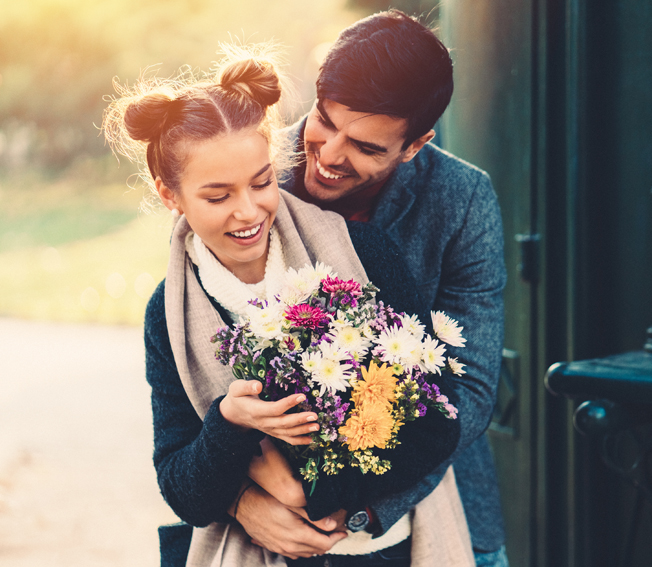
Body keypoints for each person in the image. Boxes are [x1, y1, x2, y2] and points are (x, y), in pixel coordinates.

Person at [103, 45, 476, 566]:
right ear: (171, 195)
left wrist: (310, 496)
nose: (248, 210)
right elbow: (180, 487)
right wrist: (229, 424)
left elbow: (438, 424)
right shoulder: (169, 313)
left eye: (261, 182)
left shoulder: (361, 254)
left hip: (382, 553)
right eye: (217, 196)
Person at [238, 10, 510, 567]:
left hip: (432, 503)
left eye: (366, 146)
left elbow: (472, 395)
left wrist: (357, 510)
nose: (331, 154)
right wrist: (238, 499)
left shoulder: (462, 202)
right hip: (262, 518)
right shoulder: (250, 171)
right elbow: (189, 356)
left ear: (415, 144)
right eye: (324, 121)